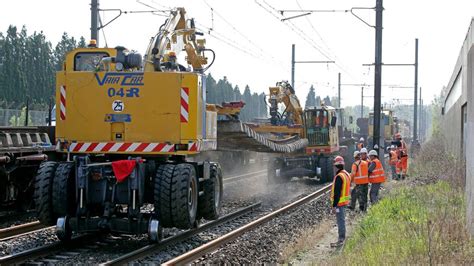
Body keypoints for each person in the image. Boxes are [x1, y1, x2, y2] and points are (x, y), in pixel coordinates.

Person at [330, 156, 351, 247]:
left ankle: (341, 239)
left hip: (339, 203)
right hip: (344, 202)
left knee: (340, 221)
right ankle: (342, 238)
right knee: (342, 220)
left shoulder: (339, 177)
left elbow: (337, 193)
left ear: (336, 166)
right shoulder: (346, 174)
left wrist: (334, 205)